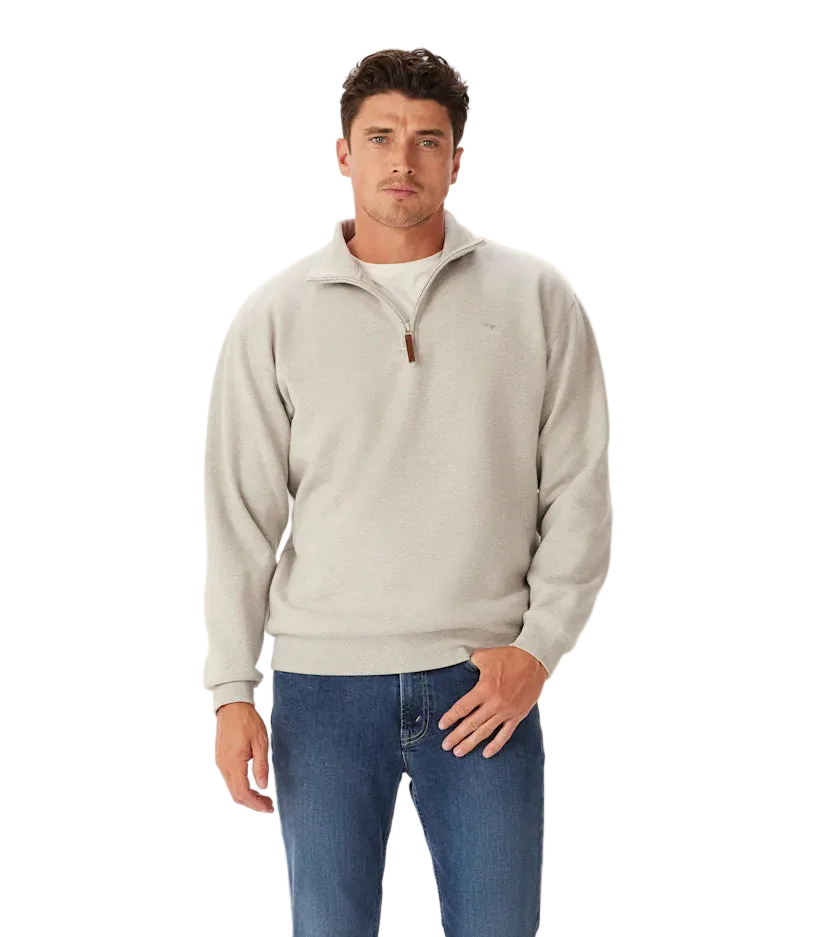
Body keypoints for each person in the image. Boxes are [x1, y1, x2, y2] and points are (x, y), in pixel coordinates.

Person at [203, 46, 613, 936]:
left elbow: (581, 491)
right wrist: (232, 689)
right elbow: (239, 520)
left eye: (429, 141)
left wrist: (539, 649)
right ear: (342, 154)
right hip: (320, 687)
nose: (404, 160)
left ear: (457, 161)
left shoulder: (539, 296)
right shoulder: (272, 314)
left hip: (486, 681)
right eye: (381, 137)